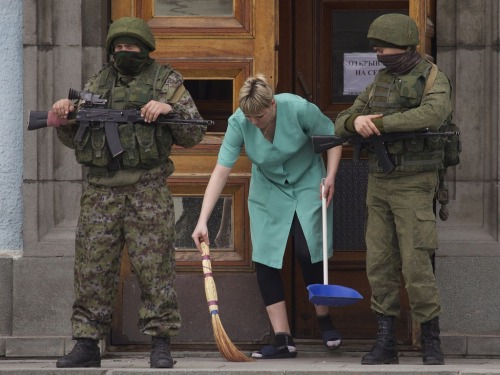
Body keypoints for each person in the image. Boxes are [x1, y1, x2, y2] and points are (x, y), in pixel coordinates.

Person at [48, 17, 206, 368]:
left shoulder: (167, 82)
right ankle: (87, 343)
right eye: (118, 47)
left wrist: (169, 109)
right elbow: (77, 139)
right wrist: (64, 118)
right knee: (91, 268)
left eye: (131, 46)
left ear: (145, 49)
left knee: (155, 269)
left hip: (147, 190)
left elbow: (194, 133)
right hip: (100, 192)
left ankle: (160, 343)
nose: (124, 52)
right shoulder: (97, 83)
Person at [191, 74, 343, 359]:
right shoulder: (240, 122)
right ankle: (283, 339)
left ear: (272, 105)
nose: (254, 123)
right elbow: (221, 171)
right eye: (249, 117)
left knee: (307, 248)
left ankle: (324, 318)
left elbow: (332, 138)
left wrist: (331, 176)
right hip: (268, 188)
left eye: (259, 116)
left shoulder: (298, 108)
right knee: (266, 256)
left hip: (308, 179)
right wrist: (202, 220)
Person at [335, 14, 453, 366]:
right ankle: (385, 341)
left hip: (415, 182)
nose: (377, 53)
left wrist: (379, 124)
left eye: (382, 47)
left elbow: (432, 114)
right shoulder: (378, 82)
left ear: (402, 46)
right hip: (380, 182)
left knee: (417, 262)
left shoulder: (433, 77)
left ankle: (431, 339)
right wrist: (355, 121)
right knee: (380, 263)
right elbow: (342, 121)